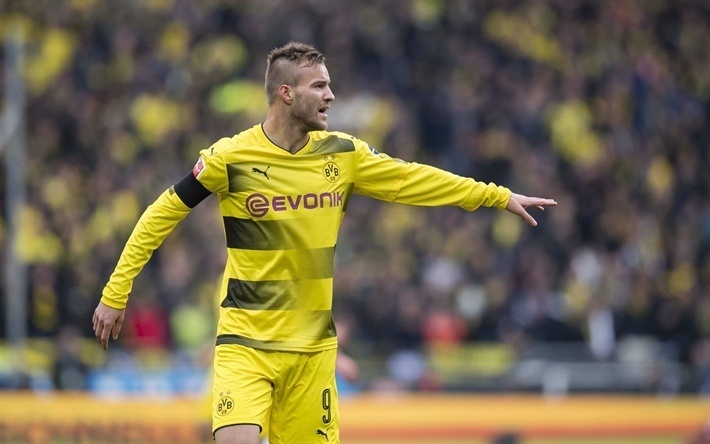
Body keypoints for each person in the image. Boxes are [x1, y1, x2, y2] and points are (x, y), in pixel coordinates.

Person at [92, 41, 557, 444]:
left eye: (329, 85)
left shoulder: (344, 154)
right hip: (245, 344)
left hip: (313, 352)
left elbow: (413, 179)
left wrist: (496, 196)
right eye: (319, 86)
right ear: (286, 93)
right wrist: (116, 293)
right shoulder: (230, 158)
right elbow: (160, 214)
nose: (331, 96)